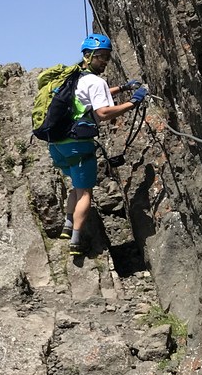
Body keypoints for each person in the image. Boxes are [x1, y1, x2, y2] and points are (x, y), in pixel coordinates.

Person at [48, 34, 147, 261]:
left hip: (58, 144)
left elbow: (91, 97)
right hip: (78, 145)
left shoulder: (74, 77)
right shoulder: (96, 81)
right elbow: (102, 113)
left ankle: (67, 226)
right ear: (88, 56)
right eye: (101, 57)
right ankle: (76, 240)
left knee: (76, 185)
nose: (105, 61)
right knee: (85, 193)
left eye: (107, 57)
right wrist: (133, 102)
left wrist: (122, 88)